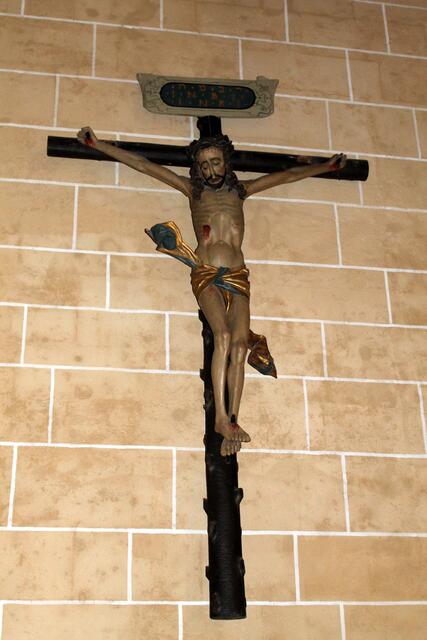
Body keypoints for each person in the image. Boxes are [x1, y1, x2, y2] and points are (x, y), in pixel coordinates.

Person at [77, 126, 346, 456]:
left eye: (216, 163)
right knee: (222, 335)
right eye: (204, 165)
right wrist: (98, 145)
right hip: (205, 272)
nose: (210, 171)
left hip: (237, 275)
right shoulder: (193, 191)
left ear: (226, 162)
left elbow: (287, 176)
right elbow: (145, 165)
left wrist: (326, 166)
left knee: (240, 343)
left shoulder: (241, 191)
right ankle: (220, 417)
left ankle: (233, 418)